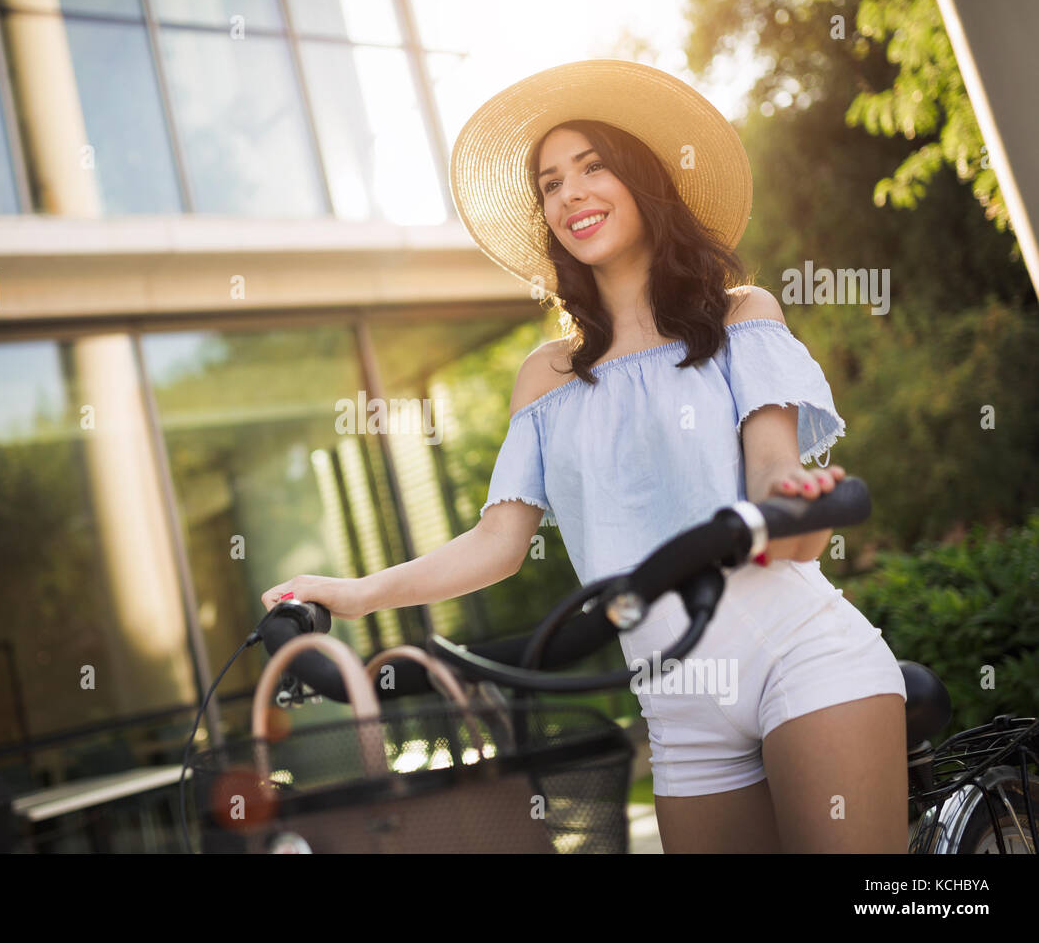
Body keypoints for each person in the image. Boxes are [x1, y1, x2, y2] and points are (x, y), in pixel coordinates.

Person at [261, 60, 907, 853]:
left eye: (594, 167)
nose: (570, 194)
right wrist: (355, 595)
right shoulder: (547, 377)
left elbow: (773, 480)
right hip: (677, 706)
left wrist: (799, 497)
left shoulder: (740, 316)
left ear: (643, 182)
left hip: (800, 657)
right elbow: (498, 544)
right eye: (550, 183)